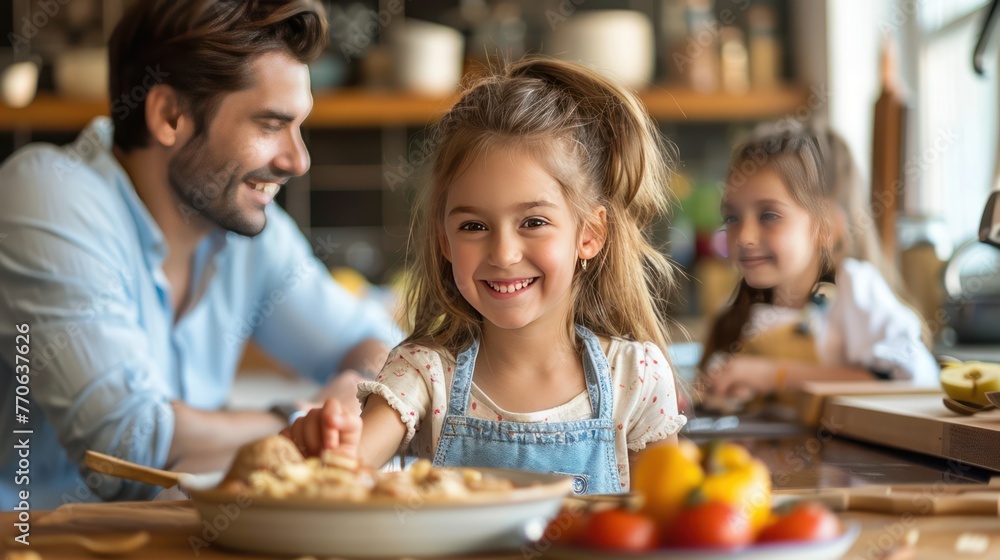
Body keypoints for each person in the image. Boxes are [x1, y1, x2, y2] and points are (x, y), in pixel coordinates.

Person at [0, 0, 399, 510]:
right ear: (170, 115)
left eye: (299, 127)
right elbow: (127, 449)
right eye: (271, 125)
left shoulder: (244, 227)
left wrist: (352, 391)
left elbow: (380, 349)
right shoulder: (47, 192)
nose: (298, 160)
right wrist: (299, 423)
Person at [283, 58, 688, 494]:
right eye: (473, 227)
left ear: (589, 235)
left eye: (533, 222)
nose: (504, 253)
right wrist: (325, 446)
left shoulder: (637, 375)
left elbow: (666, 521)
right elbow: (344, 472)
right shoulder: (422, 373)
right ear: (444, 240)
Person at [699, 126, 939, 400]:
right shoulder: (743, 307)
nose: (744, 237)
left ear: (826, 228)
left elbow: (902, 382)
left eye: (769, 215)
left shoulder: (854, 287)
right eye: (732, 218)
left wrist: (773, 375)